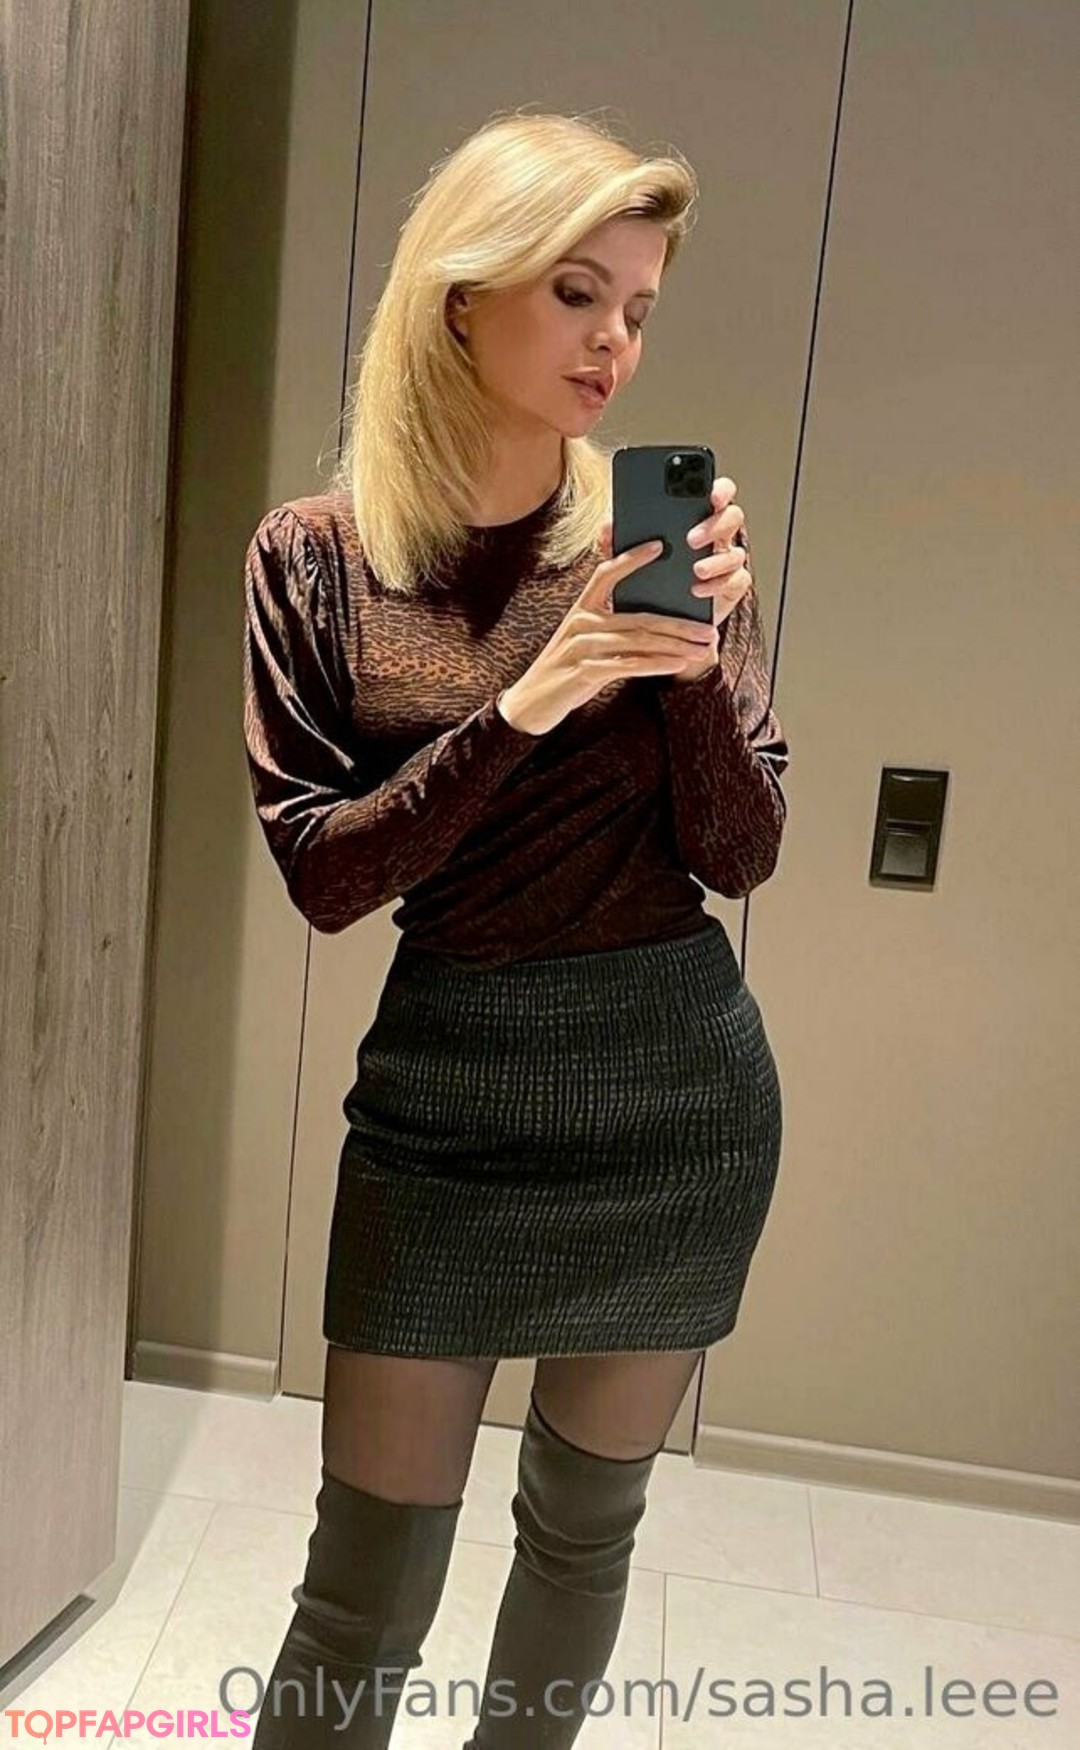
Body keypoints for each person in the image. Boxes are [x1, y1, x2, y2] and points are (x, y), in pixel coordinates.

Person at [241, 110, 787, 1749]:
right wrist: (529, 702)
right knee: (361, 1593)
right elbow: (326, 874)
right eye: (577, 293)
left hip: (674, 1098)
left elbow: (742, 851)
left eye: (640, 309)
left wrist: (691, 672)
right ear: (462, 294)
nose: (616, 342)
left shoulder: (659, 550)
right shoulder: (320, 559)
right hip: (447, 1102)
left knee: (578, 1543)